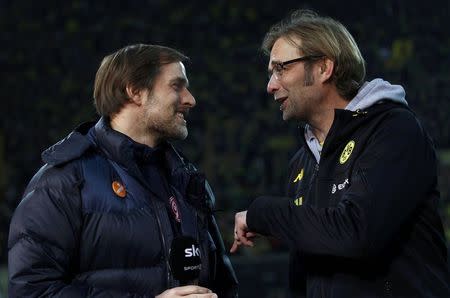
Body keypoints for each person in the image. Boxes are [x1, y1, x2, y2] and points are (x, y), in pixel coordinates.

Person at [231, 9, 450, 297]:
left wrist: (262, 212)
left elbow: (357, 233)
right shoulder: (301, 161)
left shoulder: (393, 130)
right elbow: (303, 272)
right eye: (271, 73)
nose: (270, 85)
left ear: (324, 68)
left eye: (281, 68)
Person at [8, 44, 238, 297]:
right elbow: (32, 291)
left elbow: (223, 285)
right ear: (135, 91)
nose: (190, 99)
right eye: (176, 85)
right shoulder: (63, 182)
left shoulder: (188, 180)